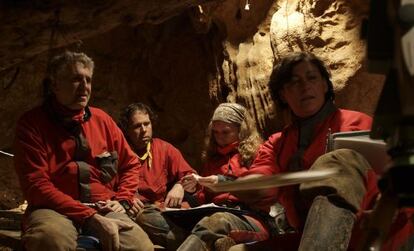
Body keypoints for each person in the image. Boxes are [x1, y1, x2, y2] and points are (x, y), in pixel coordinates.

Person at [228, 51, 382, 251]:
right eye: (294, 82)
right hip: (305, 238)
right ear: (283, 94)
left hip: (363, 234)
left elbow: (387, 181)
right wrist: (252, 185)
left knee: (339, 160)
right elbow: (263, 174)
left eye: (312, 78)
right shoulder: (277, 143)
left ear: (325, 85)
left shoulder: (357, 124)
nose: (305, 86)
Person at [14, 51, 153, 251]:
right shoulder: (32, 124)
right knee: (49, 240)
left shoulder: (102, 120)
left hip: (102, 206)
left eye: (88, 80)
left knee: (140, 246)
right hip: (54, 209)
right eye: (76, 79)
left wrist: (123, 199)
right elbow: (36, 186)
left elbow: (130, 163)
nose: (85, 87)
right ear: (55, 85)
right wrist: (89, 217)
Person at [176, 103, 277, 251]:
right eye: (216, 133)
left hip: (251, 217)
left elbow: (261, 188)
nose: (220, 138)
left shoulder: (259, 153)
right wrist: (189, 195)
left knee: (216, 221)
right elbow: (203, 199)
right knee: (156, 218)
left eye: (225, 132)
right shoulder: (213, 159)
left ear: (241, 130)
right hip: (213, 214)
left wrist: (224, 183)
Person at [118, 103, 197, 250]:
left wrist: (180, 185)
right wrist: (125, 198)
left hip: (161, 212)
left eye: (147, 124)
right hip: (135, 214)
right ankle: (196, 243)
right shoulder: (120, 152)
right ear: (126, 130)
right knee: (142, 218)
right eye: (137, 126)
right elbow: (105, 187)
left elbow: (192, 177)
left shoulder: (164, 149)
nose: (143, 130)